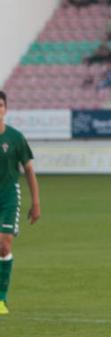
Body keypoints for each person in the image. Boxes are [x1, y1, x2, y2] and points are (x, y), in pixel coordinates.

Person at [0, 91, 41, 315]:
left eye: (0, 105)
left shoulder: (15, 138)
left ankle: (1, 299)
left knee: (4, 245)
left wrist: (35, 203)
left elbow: (29, 170)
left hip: (8, 197)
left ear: (6, 109)